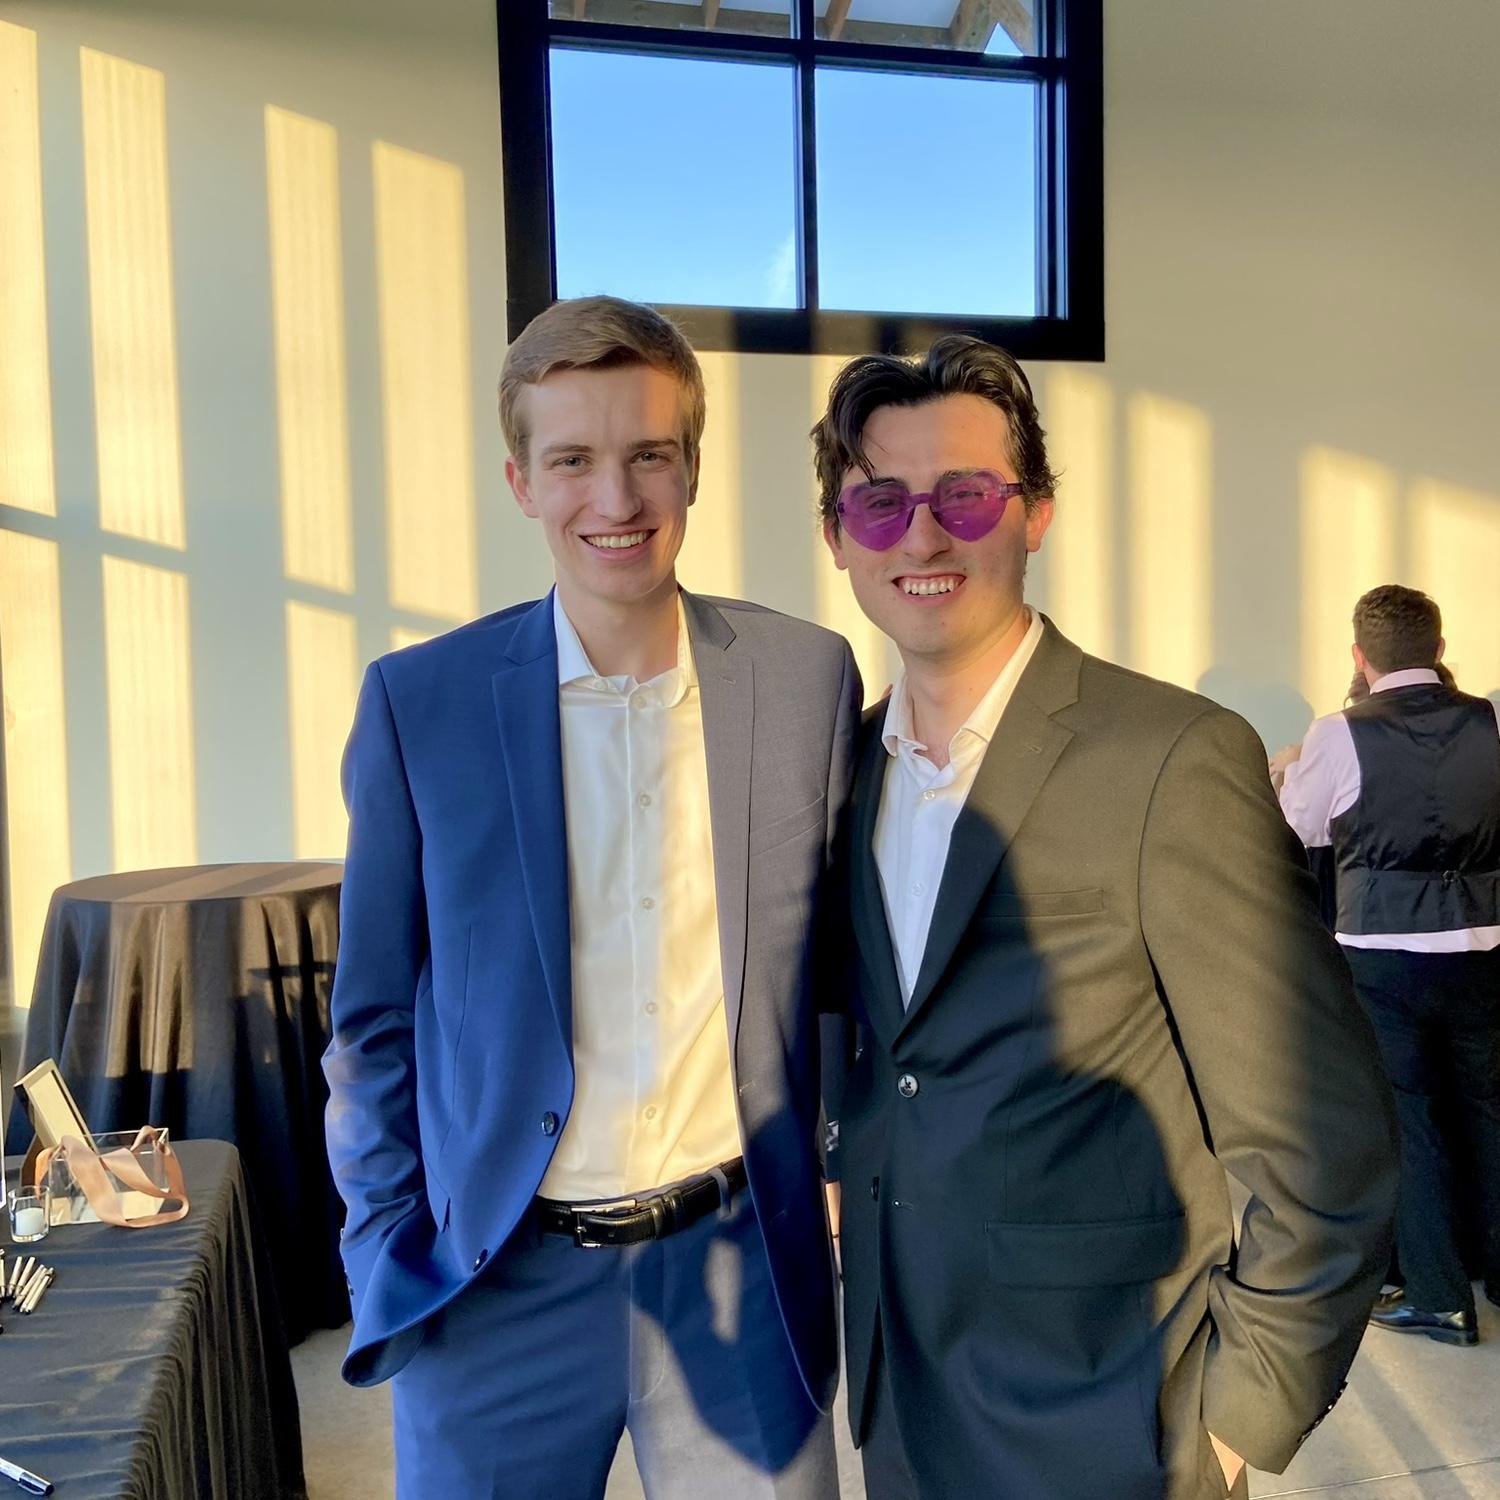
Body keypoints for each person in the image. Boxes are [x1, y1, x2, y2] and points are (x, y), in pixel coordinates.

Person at [812, 336, 1399, 1499]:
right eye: (881, 503)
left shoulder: (1173, 760)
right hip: (901, 1405)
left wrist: (1231, 1422)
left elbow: (1320, 1139)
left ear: (1034, 513)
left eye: (965, 496)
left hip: (1116, 1422)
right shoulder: (844, 772)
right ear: (839, 536)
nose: (922, 537)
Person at [323, 295, 859, 1498]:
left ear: (693, 468)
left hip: (737, 1267)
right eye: (572, 460)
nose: (616, 498)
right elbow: (372, 1018)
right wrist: (385, 1246)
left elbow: (832, 971)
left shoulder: (804, 679)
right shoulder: (422, 704)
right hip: (495, 1280)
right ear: (521, 480)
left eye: (649, 455)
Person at [1279, 584, 1500, 1346]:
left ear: (1359, 656)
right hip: (1486, 944)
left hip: (1383, 955)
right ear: (1439, 649)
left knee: (1411, 1119)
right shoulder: (1491, 719)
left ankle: (1439, 1296)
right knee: (1489, 1109)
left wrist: (1292, 769)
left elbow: (1300, 828)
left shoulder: (1338, 733)